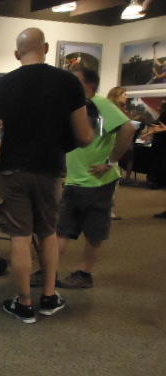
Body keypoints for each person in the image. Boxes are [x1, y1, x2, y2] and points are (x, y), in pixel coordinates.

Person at [0, 27, 94, 324]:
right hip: (51, 170)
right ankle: (49, 296)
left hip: (13, 170)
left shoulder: (3, 85)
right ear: (45, 48)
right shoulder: (69, 82)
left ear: (16, 54)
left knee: (19, 237)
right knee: (47, 234)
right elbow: (84, 136)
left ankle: (24, 304)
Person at [56, 68, 135, 289]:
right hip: (75, 180)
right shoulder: (74, 107)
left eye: (75, 80)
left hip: (98, 182)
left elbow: (128, 129)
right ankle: (49, 270)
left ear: (89, 84)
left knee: (93, 231)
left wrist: (111, 161)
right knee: (63, 229)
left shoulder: (101, 104)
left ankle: (84, 274)